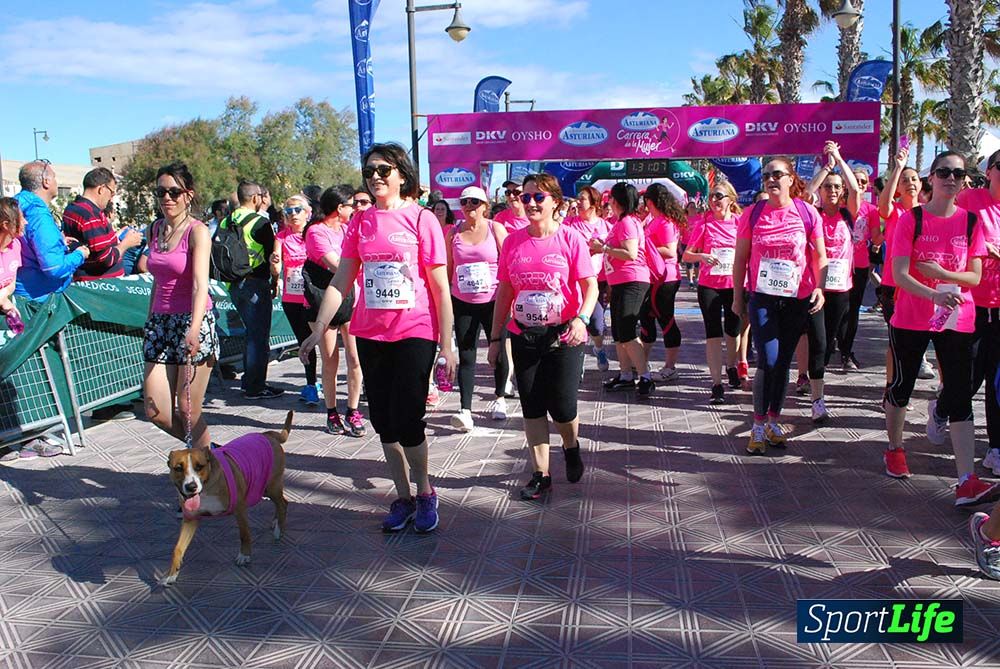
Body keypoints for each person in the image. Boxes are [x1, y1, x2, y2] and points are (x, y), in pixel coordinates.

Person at [299, 143, 455, 533]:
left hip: (415, 330)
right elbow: (341, 279)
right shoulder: (361, 222)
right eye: (370, 170)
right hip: (370, 333)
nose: (376, 176)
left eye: (385, 169)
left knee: (408, 418)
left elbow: (439, 288)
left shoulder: (422, 220)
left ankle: (425, 492)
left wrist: (448, 344)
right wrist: (319, 326)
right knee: (384, 421)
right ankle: (402, 496)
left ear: (402, 175)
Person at [882, 151, 998, 508]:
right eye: (944, 172)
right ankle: (895, 449)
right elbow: (900, 273)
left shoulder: (970, 222)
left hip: (956, 318)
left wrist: (945, 277)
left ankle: (966, 480)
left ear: (965, 180)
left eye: (958, 173)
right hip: (912, 315)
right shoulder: (912, 220)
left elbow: (974, 276)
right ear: (931, 178)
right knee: (902, 385)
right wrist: (932, 292)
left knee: (961, 392)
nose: (951, 178)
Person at [488, 173, 597, 500]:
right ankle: (541, 474)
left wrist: (582, 319)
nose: (531, 203)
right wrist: (495, 339)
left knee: (563, 408)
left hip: (564, 334)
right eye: (526, 197)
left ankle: (571, 446)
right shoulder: (512, 242)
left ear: (555, 203)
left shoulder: (570, 239)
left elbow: (589, 286)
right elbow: (505, 291)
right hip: (524, 334)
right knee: (532, 407)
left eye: (539, 197)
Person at [732, 157, 827, 455]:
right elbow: (740, 259)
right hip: (762, 297)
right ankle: (758, 424)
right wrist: (738, 296)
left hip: (796, 298)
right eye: (766, 175)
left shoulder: (806, 212)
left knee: (784, 362)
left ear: (790, 178)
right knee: (768, 360)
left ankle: (774, 420)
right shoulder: (753, 213)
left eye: (777, 174)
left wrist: (820, 288)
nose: (771, 179)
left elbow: (820, 256)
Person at [142, 162, 218, 451]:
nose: (167, 198)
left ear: (188, 195)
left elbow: (201, 284)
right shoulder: (154, 230)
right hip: (160, 324)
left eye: (174, 192)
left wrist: (195, 329)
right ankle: (208, 451)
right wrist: (150, 320)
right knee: (157, 412)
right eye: (161, 192)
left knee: (188, 411)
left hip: (192, 320)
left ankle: (207, 464)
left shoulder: (196, 232)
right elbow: (156, 280)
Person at [794, 142, 862, 423]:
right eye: (828, 187)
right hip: (817, 289)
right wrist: (827, 168)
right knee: (819, 343)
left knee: (829, 342)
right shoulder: (814, 215)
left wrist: (839, 159)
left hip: (841, 291)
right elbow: (807, 193)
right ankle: (817, 400)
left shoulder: (848, 214)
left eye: (836, 187)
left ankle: (811, 378)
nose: (832, 191)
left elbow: (856, 190)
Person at [446, 186, 510, 431]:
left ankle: (500, 398)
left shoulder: (496, 229)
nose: (469, 206)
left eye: (474, 202)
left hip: (494, 300)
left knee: (498, 349)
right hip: (463, 301)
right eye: (464, 202)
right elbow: (448, 269)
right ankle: (465, 409)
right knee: (467, 353)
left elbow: (508, 263)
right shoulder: (453, 233)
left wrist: (510, 298)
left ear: (485, 206)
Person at [305, 185, 365, 437]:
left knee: (355, 358)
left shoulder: (347, 229)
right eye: (352, 204)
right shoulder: (316, 232)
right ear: (340, 208)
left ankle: (352, 410)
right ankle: (331, 411)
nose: (356, 209)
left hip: (352, 300)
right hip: (323, 302)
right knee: (330, 360)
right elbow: (338, 266)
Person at [682, 180, 742, 403]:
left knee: (733, 330)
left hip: (734, 285)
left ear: (730, 200)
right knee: (713, 333)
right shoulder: (704, 224)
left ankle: (732, 365)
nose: (714, 200)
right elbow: (686, 256)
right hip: (709, 286)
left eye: (719, 196)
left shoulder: (740, 223)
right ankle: (716, 384)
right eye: (711, 197)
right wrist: (702, 257)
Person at [594, 182, 654, 396]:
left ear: (617, 201)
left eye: (610, 198)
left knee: (627, 331)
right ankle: (626, 374)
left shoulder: (628, 222)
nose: (608, 201)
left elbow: (630, 253)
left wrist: (604, 248)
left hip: (633, 281)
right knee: (619, 333)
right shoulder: (620, 223)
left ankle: (645, 375)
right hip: (620, 282)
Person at [224, 180, 282, 399]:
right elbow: (271, 257)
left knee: (251, 334)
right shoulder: (260, 222)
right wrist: (275, 281)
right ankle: (255, 386)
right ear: (256, 198)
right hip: (255, 284)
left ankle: (250, 382)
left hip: (233, 284)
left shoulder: (226, 221)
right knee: (258, 337)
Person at [14, 160, 89, 301]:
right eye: (54, 177)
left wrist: (59, 242)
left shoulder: (15, 205)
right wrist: (80, 254)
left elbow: (27, 244)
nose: (56, 182)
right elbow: (54, 268)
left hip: (20, 295)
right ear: (46, 182)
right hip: (38, 303)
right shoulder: (38, 214)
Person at [271, 195, 319, 405]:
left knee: (324, 343)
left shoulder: (315, 234)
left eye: (297, 210)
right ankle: (311, 386)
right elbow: (276, 268)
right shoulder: (281, 237)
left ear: (307, 212)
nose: (293, 215)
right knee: (304, 343)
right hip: (292, 298)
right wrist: (274, 264)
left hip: (315, 297)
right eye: (288, 212)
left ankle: (328, 382)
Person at [62, 167, 142, 282]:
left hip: (85, 281)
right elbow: (105, 259)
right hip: (101, 286)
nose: (111, 198)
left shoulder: (72, 209)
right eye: (112, 192)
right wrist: (127, 243)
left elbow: (94, 245)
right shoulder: (90, 215)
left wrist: (115, 237)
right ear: (101, 189)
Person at [639, 183, 685, 383]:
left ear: (650, 201)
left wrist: (645, 248)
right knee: (646, 318)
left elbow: (670, 250)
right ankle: (641, 362)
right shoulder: (653, 220)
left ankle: (670, 366)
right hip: (652, 277)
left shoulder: (666, 222)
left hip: (665, 278)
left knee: (665, 319)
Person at [564, 185, 611, 371]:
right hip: (574, 281)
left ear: (593, 203)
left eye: (582, 199)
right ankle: (578, 360)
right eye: (577, 198)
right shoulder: (569, 224)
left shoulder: (606, 226)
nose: (578, 202)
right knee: (575, 321)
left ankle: (598, 347)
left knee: (596, 324)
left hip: (598, 281)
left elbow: (613, 255)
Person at [837, 168, 879, 371]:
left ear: (867, 185)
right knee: (838, 308)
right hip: (838, 266)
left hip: (860, 265)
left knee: (853, 310)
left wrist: (891, 228)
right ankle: (835, 344)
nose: (859, 185)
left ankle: (846, 351)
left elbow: (876, 237)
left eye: (863, 181)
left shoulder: (871, 210)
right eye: (856, 181)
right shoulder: (840, 208)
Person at [0, 198, 24, 327]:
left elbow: (11, 284)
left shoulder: (15, 245)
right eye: (21, 219)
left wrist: (3, 300)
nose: (25, 222)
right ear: (5, 225)